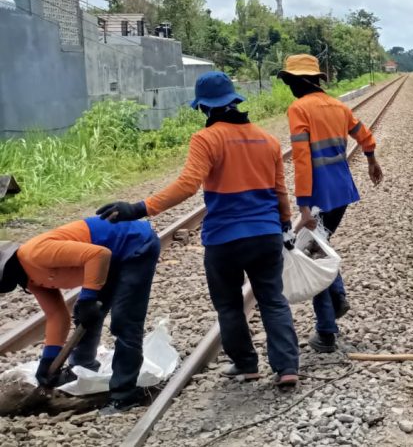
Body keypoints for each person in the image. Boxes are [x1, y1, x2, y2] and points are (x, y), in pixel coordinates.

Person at [96, 71, 300, 388]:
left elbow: (187, 185)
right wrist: (285, 223)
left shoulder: (206, 139)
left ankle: (246, 364)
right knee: (273, 299)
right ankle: (287, 367)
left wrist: (138, 208)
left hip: (224, 240)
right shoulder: (268, 140)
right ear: (234, 100)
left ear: (204, 107)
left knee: (229, 304)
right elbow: (280, 190)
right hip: (266, 234)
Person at [278, 53, 383, 353]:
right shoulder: (338, 106)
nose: (289, 87)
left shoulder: (299, 109)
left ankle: (326, 330)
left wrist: (303, 207)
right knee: (318, 246)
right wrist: (371, 160)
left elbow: (302, 160)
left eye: (290, 81)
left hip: (319, 194)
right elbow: (365, 136)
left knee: (313, 253)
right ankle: (336, 297)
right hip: (341, 192)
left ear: (300, 82)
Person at [0, 219, 160, 414]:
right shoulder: (29, 279)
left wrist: (88, 297)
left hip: (134, 244)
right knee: (84, 315)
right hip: (106, 262)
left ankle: (124, 395)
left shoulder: (36, 253)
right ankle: (82, 368)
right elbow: (57, 316)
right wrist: (48, 361)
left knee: (124, 320)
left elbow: (99, 254)